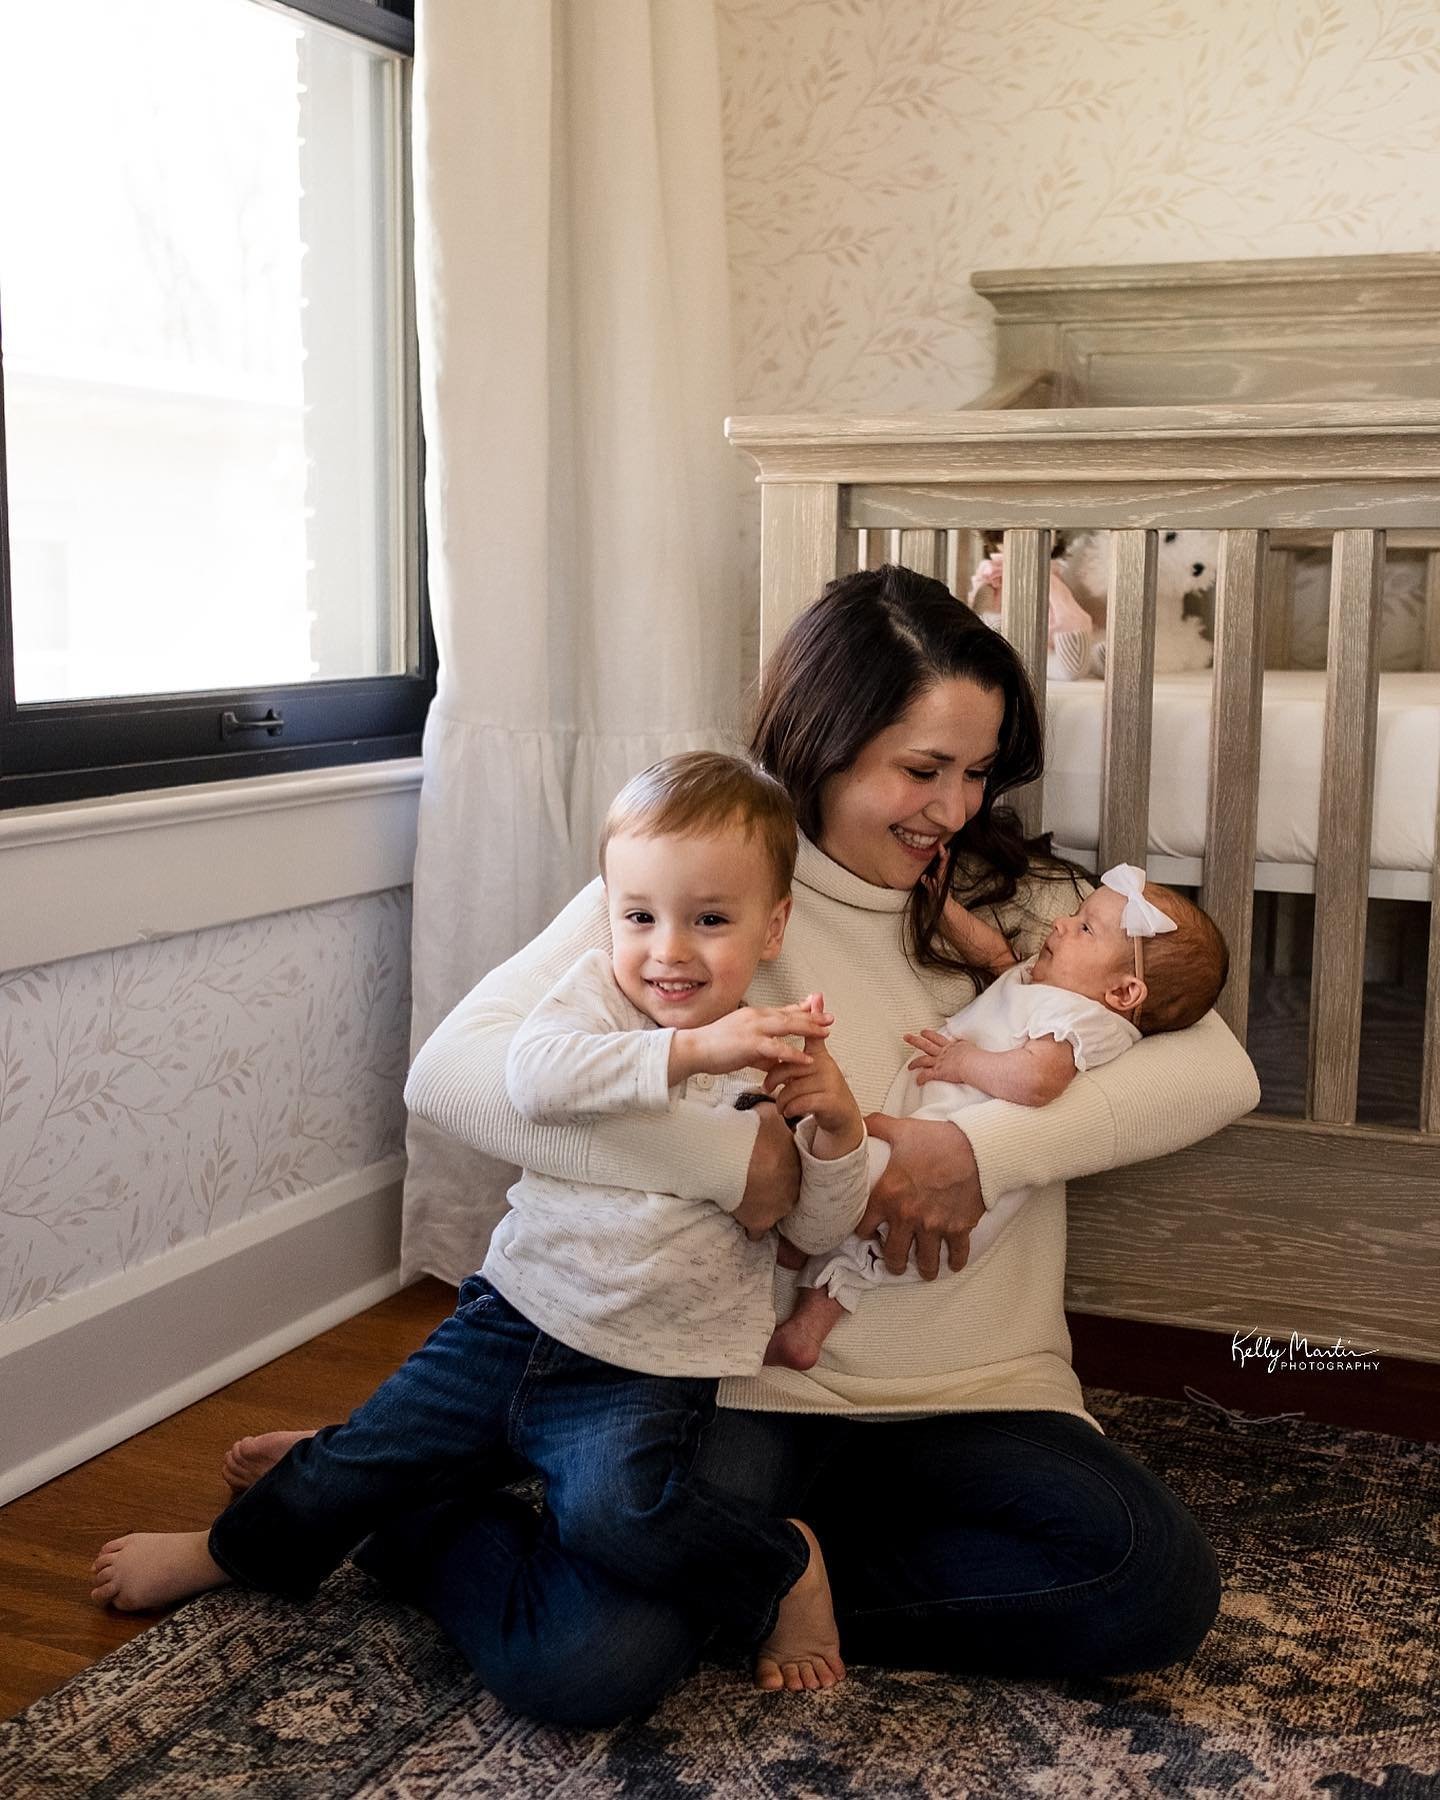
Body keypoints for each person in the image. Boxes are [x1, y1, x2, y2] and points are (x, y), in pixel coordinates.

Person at [212, 565, 1261, 1728]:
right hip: (748, 1383)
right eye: (922, 771)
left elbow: (1223, 1068)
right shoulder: (711, 893)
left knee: (1150, 1588)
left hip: (974, 1387)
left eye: (977, 771)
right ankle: (421, 1502)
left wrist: (986, 1154)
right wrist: (741, 1166)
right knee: (578, 1666)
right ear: (824, 740)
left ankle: (726, 1564)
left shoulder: (1012, 899)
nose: (952, 810)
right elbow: (455, 1076)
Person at [91, 753, 872, 1692]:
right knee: (366, 1453)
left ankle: (784, 1567)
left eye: (709, 920)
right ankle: (232, 1549)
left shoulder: (777, 1054)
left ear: (772, 925)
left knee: (617, 1517)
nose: (668, 950)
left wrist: (838, 1128)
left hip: (649, 1367)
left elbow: (817, 1228)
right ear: (608, 917)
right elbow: (533, 1080)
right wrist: (690, 1051)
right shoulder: (596, 1001)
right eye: (640, 917)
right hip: (513, 1316)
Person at [765, 865, 1229, 1370]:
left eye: (1084, 928)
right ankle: (803, 1323)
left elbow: (1035, 1081)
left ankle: (796, 1261)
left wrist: (964, 1061)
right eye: (1075, 915)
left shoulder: (1080, 1019)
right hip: (924, 1141)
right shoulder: (1057, 984)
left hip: (946, 1188)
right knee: (851, 1218)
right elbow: (992, 955)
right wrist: (941, 906)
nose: (1059, 924)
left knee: (850, 1187)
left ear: (1123, 993)